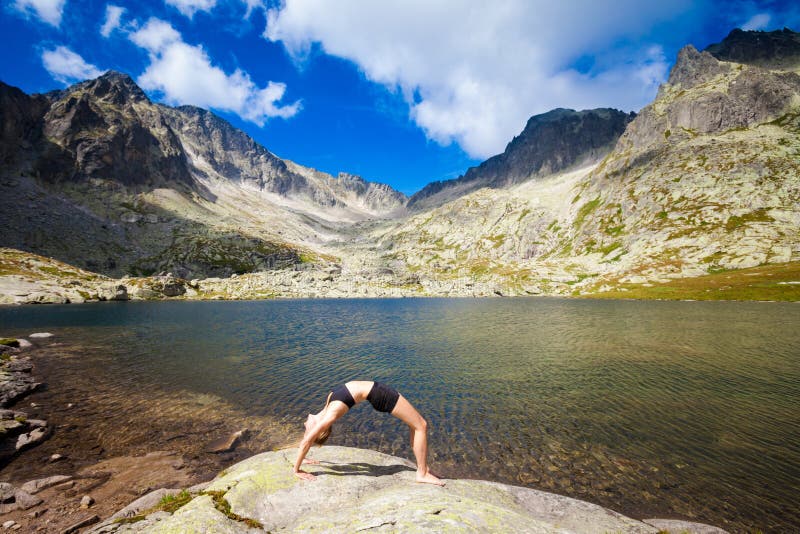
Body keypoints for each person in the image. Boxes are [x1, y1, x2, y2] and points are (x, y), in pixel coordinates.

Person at [294, 380, 444, 486]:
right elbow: (306, 442)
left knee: (415, 425)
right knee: (421, 426)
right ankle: (422, 473)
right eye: (309, 431)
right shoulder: (330, 415)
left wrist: (305, 457)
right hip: (380, 395)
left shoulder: (328, 406)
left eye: (307, 430)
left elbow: (308, 441)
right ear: (320, 431)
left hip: (380, 390)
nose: (305, 426)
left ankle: (423, 467)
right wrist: (297, 470)